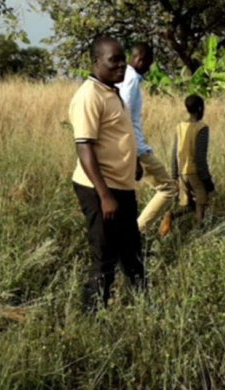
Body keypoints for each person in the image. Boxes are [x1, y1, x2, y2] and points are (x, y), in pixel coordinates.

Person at [70, 37, 145, 310]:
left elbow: (118, 134)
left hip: (121, 187)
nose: (121, 64)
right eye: (114, 59)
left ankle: (142, 308)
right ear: (96, 62)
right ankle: (92, 315)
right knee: (105, 255)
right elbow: (84, 147)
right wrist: (104, 196)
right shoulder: (89, 96)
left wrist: (133, 161)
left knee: (132, 252)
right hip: (100, 189)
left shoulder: (111, 91)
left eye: (123, 58)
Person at [118, 43, 178, 234]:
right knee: (168, 188)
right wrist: (134, 154)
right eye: (148, 63)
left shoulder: (122, 77)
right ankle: (137, 232)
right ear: (140, 59)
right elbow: (123, 114)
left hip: (125, 146)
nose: (149, 68)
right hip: (136, 148)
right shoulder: (132, 79)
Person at [160, 94, 214, 234]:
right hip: (195, 172)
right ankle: (199, 235)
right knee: (201, 203)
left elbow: (174, 153)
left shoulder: (180, 127)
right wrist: (207, 181)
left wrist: (174, 176)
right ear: (200, 108)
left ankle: (171, 216)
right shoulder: (202, 128)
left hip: (181, 173)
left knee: (188, 204)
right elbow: (200, 158)